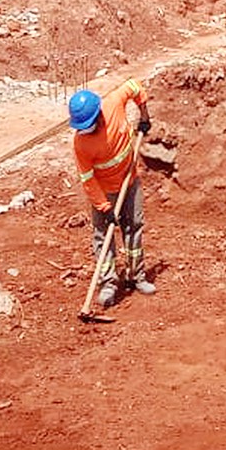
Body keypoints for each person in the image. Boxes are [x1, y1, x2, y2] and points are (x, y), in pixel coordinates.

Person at [69, 81, 154, 305]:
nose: (86, 130)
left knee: (134, 226)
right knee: (102, 235)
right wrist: (104, 207)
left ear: (99, 114)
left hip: (129, 180)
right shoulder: (81, 144)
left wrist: (144, 116)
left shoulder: (113, 103)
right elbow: (88, 180)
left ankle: (137, 276)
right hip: (104, 191)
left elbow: (135, 86)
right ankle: (108, 283)